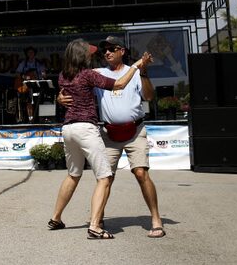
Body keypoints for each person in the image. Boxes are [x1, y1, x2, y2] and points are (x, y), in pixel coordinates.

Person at [59, 36, 164, 238]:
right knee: (106, 177)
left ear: (122, 51)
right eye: (104, 50)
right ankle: (97, 222)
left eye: (112, 49)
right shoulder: (96, 73)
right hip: (108, 133)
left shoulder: (134, 73)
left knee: (141, 173)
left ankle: (156, 219)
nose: (107, 52)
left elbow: (149, 97)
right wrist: (59, 97)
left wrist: (143, 71)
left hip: (134, 131)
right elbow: (71, 85)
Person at [15, 46, 46, 122]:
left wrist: (43, 74)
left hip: (36, 85)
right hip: (25, 86)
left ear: (34, 54)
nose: (30, 54)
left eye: (32, 52)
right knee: (27, 100)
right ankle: (28, 117)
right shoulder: (23, 63)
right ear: (27, 54)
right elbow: (17, 73)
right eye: (29, 52)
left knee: (37, 100)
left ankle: (38, 118)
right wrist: (24, 76)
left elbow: (44, 74)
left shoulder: (39, 63)